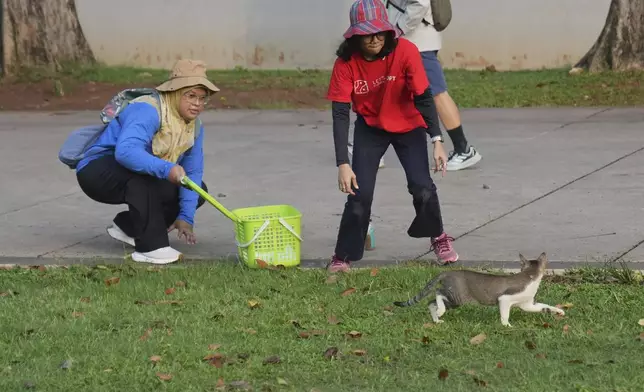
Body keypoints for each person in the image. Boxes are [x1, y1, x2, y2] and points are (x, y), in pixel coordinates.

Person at [326, 0, 459, 273]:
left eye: (379, 32)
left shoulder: (406, 51)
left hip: (409, 125)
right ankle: (343, 256)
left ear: (388, 32)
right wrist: (343, 163)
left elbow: (423, 97)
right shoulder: (345, 64)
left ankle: (439, 236)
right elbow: (340, 114)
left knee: (422, 186)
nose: (374, 39)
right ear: (355, 35)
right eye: (366, 34)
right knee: (359, 194)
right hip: (370, 127)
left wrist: (437, 140)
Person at [74, 59, 219, 265]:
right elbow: (126, 152)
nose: (197, 103)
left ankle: (130, 228)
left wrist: (186, 217)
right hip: (97, 171)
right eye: (191, 96)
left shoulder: (195, 126)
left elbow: (193, 171)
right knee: (144, 177)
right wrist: (167, 168)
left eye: (202, 98)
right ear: (174, 92)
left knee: (196, 188)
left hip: (137, 174)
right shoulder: (148, 109)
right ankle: (151, 248)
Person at [385, 0, 482, 171]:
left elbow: (420, 4)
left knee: (436, 93)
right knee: (392, 91)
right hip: (414, 39)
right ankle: (372, 149)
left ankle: (463, 149)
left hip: (417, 41)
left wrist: (399, 28)